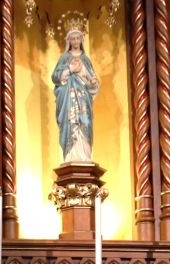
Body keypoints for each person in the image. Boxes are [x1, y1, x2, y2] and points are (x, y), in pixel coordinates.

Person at [51, 27, 100, 163]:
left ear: (81, 40)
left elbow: (92, 80)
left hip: (84, 100)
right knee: (70, 123)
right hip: (68, 100)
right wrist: (70, 69)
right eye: (73, 39)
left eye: (78, 38)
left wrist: (92, 83)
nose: (76, 41)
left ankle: (85, 156)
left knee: (85, 123)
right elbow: (55, 77)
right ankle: (70, 156)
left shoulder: (86, 60)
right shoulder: (64, 58)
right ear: (69, 41)